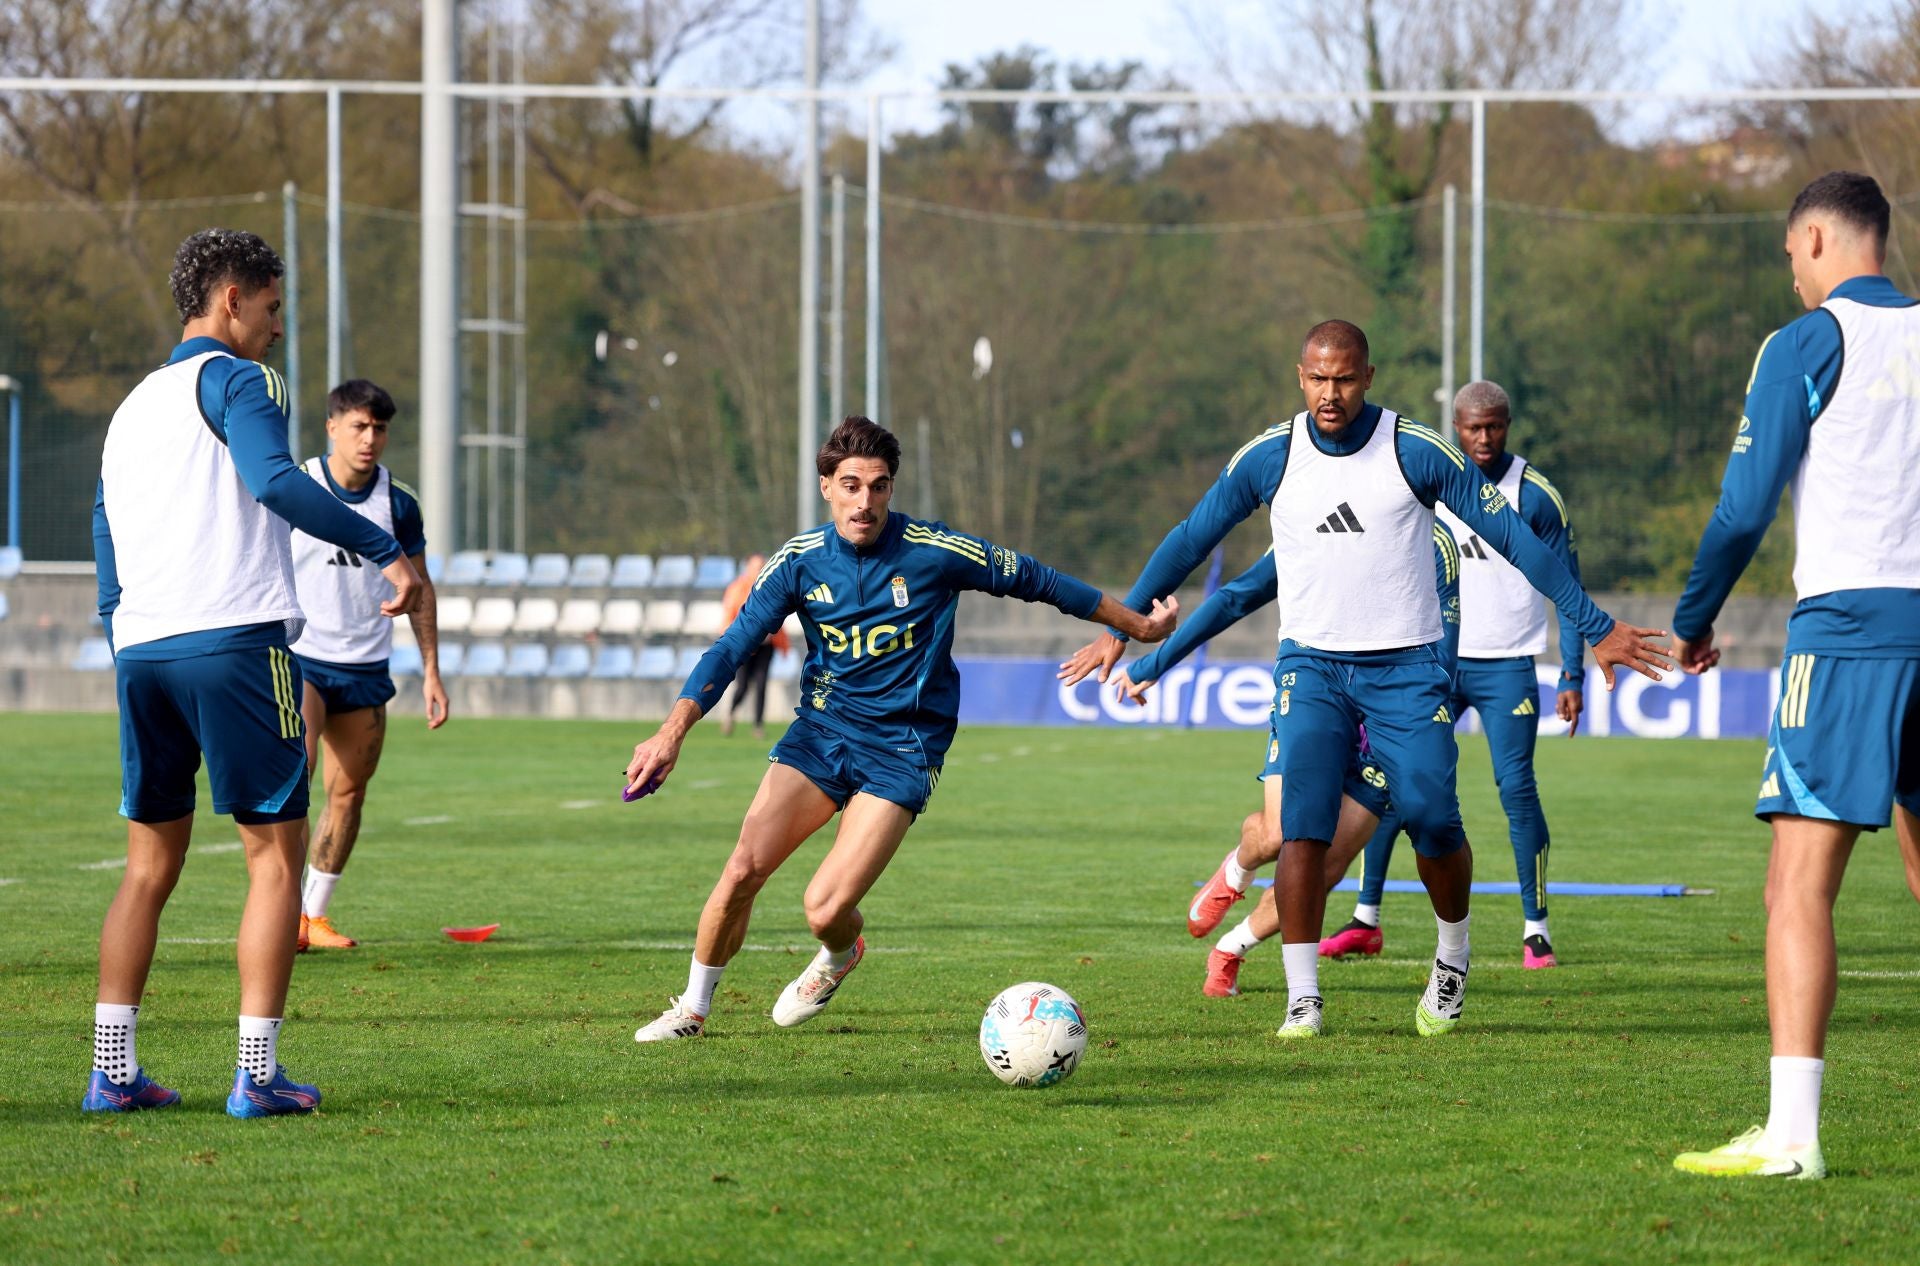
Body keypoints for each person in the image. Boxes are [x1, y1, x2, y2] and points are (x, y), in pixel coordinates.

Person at [1087, 320, 1668, 1040]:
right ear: (1300, 377)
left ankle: (1452, 959)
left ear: (1367, 377)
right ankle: (1302, 997)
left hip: (1408, 671)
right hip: (1311, 669)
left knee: (1431, 817)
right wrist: (1121, 625)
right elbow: (1190, 538)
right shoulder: (1271, 456)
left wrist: (1595, 623)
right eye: (1318, 379)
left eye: (1345, 379)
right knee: (1299, 834)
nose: (1331, 394)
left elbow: (1517, 540)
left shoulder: (1415, 451)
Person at [624, 416, 1178, 1042]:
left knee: (824, 909)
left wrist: (1131, 625)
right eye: (852, 485)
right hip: (820, 733)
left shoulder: (935, 552)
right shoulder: (799, 562)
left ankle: (840, 954)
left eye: (880, 487)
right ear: (826, 486)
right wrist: (672, 731)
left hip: (903, 747)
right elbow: (730, 649)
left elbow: (1039, 579)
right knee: (742, 870)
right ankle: (692, 1011)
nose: (866, 502)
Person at [87, 229, 420, 1117]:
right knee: (273, 862)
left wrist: (118, 628)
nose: (278, 328)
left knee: (146, 867)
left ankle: (111, 1071)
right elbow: (273, 480)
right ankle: (257, 1075)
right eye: (272, 308)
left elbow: (103, 525)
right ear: (231, 299)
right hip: (237, 643)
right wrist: (384, 548)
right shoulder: (240, 380)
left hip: (144, 651)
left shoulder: (132, 407)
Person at [1671, 172, 1920, 1182]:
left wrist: (1694, 620)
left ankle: (1793, 1136)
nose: (1792, 274)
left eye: (1789, 256)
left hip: (1850, 634)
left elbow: (1742, 509)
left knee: (1796, 885)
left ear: (1815, 237)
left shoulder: (1808, 342)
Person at [1063, 527, 1461, 999]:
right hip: (1318, 695)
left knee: (1328, 865)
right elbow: (1236, 597)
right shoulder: (1306, 508)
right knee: (1279, 835)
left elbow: (1445, 647)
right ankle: (1238, 869)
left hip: (1391, 716)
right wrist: (1154, 664)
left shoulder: (1433, 542)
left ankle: (1231, 948)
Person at [1322, 380, 1585, 969]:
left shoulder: (1536, 496)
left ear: (1508, 424)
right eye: (1473, 428)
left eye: (1494, 426)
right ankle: (1366, 919)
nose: (1484, 437)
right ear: (1457, 427)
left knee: (1516, 791)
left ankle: (1535, 927)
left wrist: (1573, 673)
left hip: (1506, 666)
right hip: (1428, 660)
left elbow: (1568, 588)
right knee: (1387, 787)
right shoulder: (1427, 477)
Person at [288, 379, 448, 951]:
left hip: (365, 667)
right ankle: (281, 911)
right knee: (294, 783)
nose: (370, 438)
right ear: (332, 426)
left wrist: (430, 669)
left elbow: (421, 589)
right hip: (301, 658)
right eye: (358, 425)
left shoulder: (398, 503)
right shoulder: (296, 486)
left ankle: (313, 917)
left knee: (349, 794)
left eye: (379, 428)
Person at [716, 553, 790, 740]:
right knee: (742, 686)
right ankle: (731, 713)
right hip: (745, 646)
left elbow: (780, 616)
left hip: (766, 646)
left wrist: (782, 643)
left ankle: (758, 725)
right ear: (748, 568)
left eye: (762, 566)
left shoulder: (772, 586)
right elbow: (729, 615)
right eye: (756, 566)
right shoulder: (737, 588)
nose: (760, 569)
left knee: (761, 683)